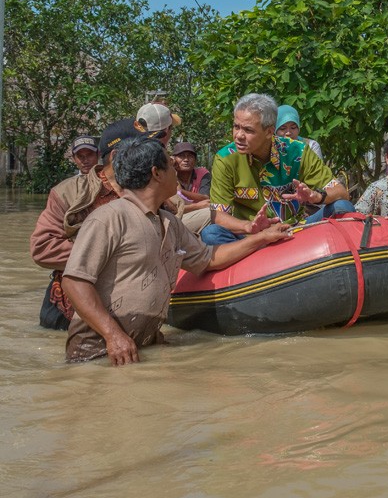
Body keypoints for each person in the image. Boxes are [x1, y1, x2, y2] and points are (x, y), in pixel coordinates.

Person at [61, 139, 292, 366]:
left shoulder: (169, 222)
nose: (176, 171)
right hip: (95, 354)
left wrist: (261, 238)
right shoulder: (109, 218)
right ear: (157, 173)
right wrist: (113, 335)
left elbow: (208, 258)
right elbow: (74, 281)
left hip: (140, 347)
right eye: (170, 165)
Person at [31, 119, 146, 330]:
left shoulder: (148, 191)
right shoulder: (68, 192)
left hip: (124, 307)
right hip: (66, 309)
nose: (149, 157)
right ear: (117, 155)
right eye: (142, 151)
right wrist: (106, 256)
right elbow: (42, 248)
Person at [202, 93, 354, 245]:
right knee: (211, 234)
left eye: (248, 130)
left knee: (342, 207)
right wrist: (249, 227)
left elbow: (341, 193)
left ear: (269, 132)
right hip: (252, 237)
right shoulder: (225, 158)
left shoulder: (298, 151)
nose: (238, 136)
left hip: (297, 229)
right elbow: (219, 215)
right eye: (236, 127)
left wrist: (316, 196)